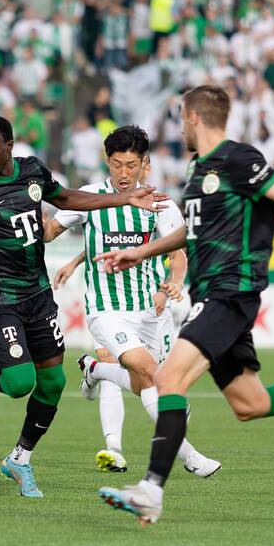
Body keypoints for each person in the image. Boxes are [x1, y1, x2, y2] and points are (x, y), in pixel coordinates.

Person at [93, 86, 274, 525]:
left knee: (168, 379)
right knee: (250, 404)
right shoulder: (197, 168)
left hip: (231, 291)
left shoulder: (239, 158)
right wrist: (141, 252)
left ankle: (151, 490)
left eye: (182, 118)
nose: (180, 126)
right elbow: (193, 234)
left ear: (194, 118)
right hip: (213, 294)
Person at [0, 115, 166, 498]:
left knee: (54, 382)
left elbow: (67, 199)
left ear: (10, 145)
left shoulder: (33, 172)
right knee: (19, 384)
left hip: (37, 292)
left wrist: (122, 197)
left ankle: (19, 459)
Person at [44, 125, 220, 478]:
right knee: (151, 374)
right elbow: (48, 232)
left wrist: (172, 283)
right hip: (106, 311)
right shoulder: (89, 197)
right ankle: (189, 456)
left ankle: (95, 370)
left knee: (146, 385)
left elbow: (177, 252)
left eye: (131, 165)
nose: (123, 174)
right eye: (116, 164)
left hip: (150, 310)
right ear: (106, 161)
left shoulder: (160, 203)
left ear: (144, 164)